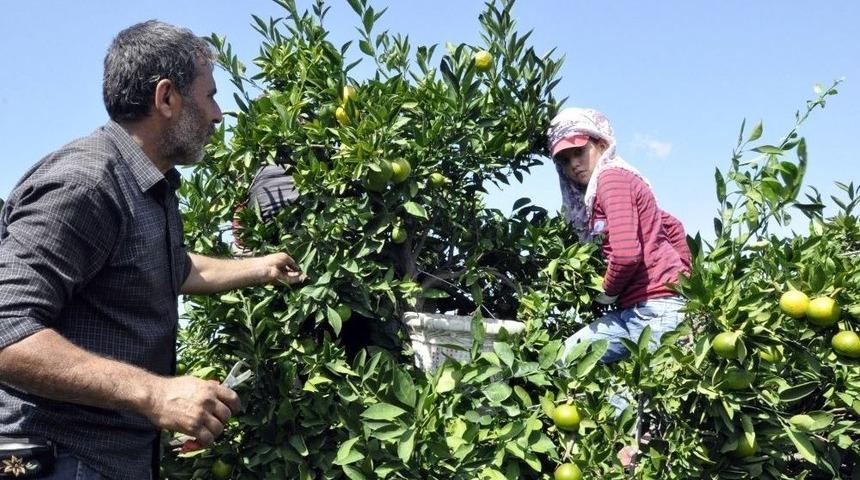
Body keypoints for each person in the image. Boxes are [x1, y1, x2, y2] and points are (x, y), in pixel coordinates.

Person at [0, 21, 304, 480]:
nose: (218, 114)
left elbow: (170, 268)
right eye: (209, 96)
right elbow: (7, 330)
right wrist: (156, 395)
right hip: (59, 459)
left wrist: (260, 268)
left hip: (112, 461)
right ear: (166, 98)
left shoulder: (148, 185)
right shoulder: (86, 184)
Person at [548, 107, 691, 467]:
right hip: (643, 309)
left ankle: (628, 459)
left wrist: (607, 293)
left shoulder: (611, 179)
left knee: (648, 419)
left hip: (653, 309)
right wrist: (683, 277)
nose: (573, 165)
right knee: (575, 357)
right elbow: (670, 225)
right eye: (564, 160)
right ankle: (622, 448)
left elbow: (626, 255)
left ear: (599, 143)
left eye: (578, 152)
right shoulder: (621, 182)